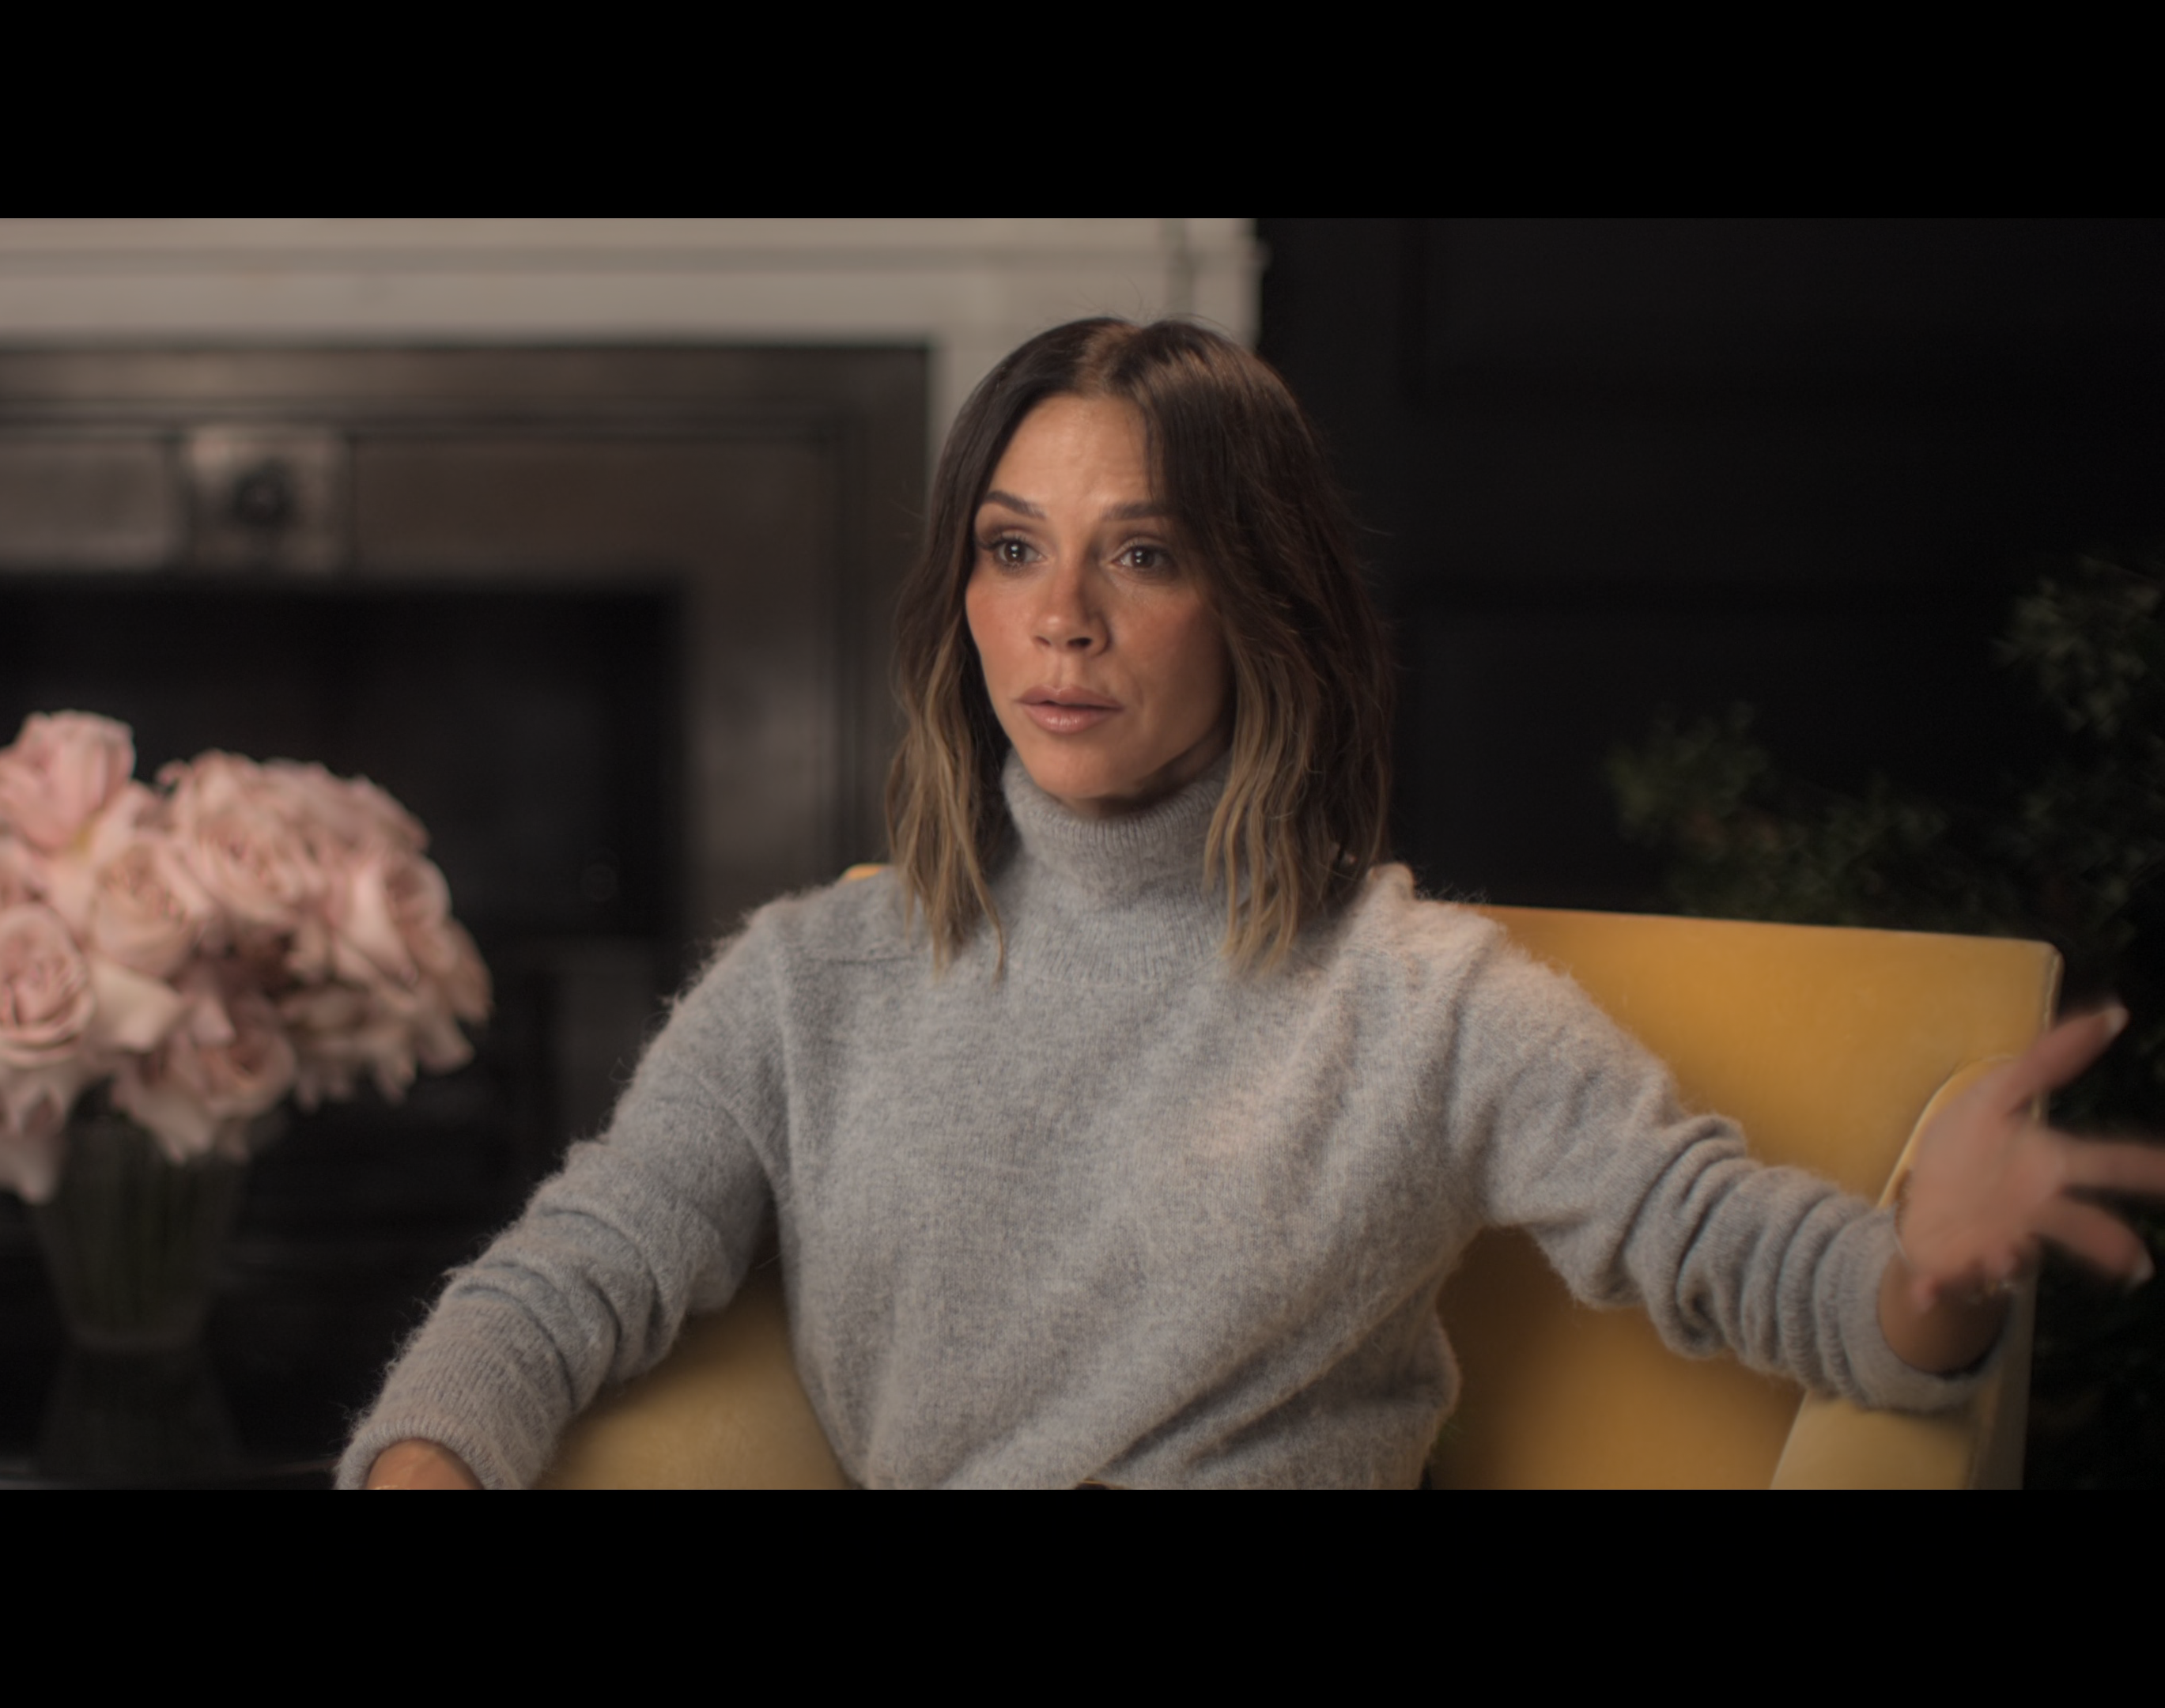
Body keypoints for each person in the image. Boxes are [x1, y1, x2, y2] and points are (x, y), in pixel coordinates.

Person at [346, 319, 2165, 1489]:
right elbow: (574, 1273)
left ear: (1261, 604)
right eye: (1012, 548)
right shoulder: (812, 979)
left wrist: (1927, 1282)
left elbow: (1735, 1255)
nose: (1063, 618)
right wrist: (426, 1465)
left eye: (1141, 554)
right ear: (963, 600)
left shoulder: (1424, 1003)